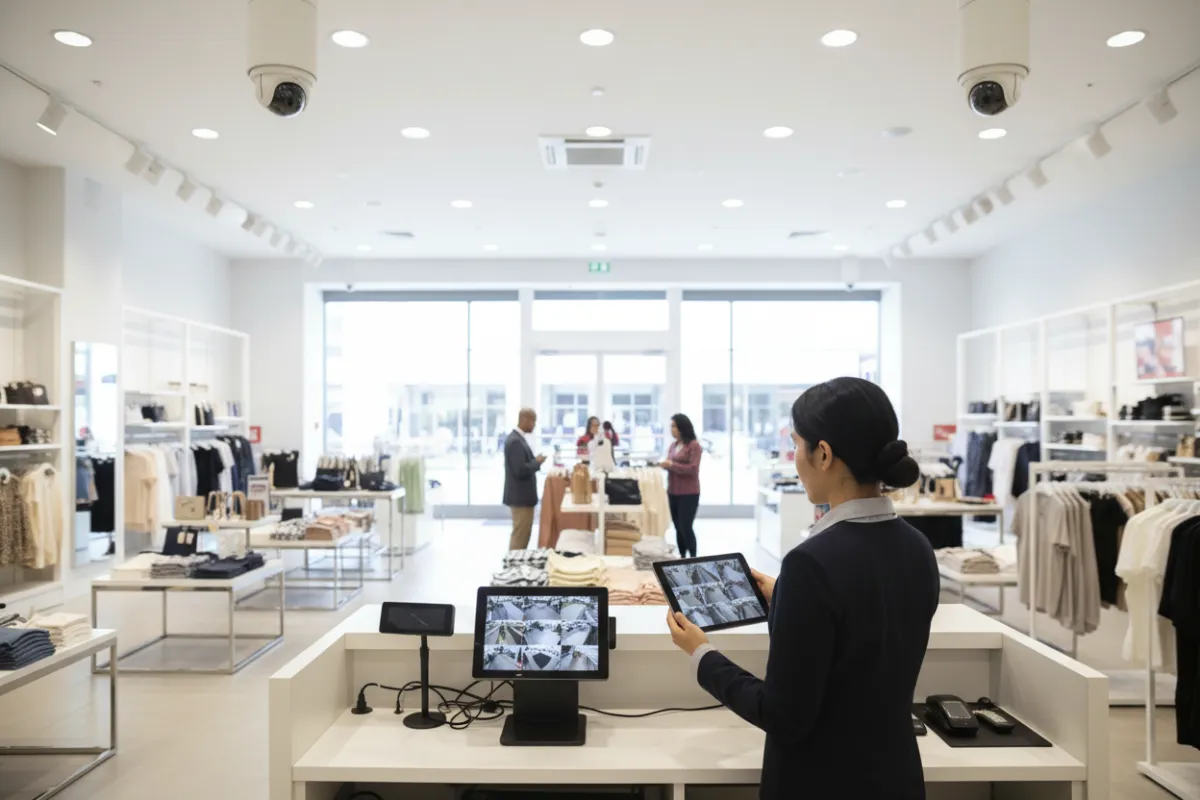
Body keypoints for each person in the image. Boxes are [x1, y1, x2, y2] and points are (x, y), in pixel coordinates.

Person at [665, 377, 936, 800]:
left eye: (796, 445)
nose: (794, 459)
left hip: (819, 782)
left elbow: (783, 714)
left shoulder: (811, 564)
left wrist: (702, 654)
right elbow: (861, 635)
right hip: (895, 776)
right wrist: (786, 599)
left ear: (823, 454)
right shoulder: (918, 547)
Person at [503, 408, 545, 550]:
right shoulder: (515, 441)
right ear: (525, 420)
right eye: (533, 422)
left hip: (521, 497)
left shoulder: (518, 439)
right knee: (520, 535)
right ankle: (514, 567)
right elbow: (520, 470)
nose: (534, 425)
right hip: (520, 497)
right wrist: (537, 462)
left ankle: (517, 564)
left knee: (523, 533)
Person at [659, 413, 701, 558]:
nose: (672, 429)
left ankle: (693, 557)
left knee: (686, 526)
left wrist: (672, 465)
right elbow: (672, 464)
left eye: (674, 426)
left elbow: (693, 469)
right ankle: (682, 556)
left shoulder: (694, 446)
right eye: (671, 426)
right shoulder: (673, 446)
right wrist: (666, 465)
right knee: (677, 526)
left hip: (689, 493)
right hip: (673, 491)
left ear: (683, 427)